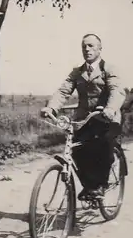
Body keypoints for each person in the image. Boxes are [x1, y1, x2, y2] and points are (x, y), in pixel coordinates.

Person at [41, 33, 126, 200]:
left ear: (100, 49)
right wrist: (51, 108)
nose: (87, 49)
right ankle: (90, 186)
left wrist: (110, 109)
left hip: (106, 118)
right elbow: (63, 91)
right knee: (76, 149)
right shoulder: (77, 72)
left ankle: (100, 185)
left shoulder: (108, 69)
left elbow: (117, 91)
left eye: (91, 46)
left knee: (103, 144)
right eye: (84, 46)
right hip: (84, 120)